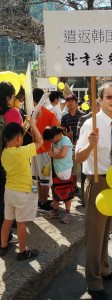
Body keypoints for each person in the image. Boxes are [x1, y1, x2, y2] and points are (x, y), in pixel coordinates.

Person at [75, 82, 112, 300]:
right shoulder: (91, 124)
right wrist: (90, 145)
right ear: (100, 100)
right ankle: (94, 283)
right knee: (95, 235)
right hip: (97, 183)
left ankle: (104, 269)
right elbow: (78, 157)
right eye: (109, 97)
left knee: (106, 233)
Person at [0, 118, 43, 260]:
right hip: (23, 192)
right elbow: (40, 142)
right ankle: (23, 251)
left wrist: (25, 124)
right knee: (21, 223)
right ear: (19, 138)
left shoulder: (5, 153)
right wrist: (33, 125)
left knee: (7, 220)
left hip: (9, 191)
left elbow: (18, 137)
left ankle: (3, 246)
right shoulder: (22, 152)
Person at [0, 81, 22, 246]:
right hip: (4, 165)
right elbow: (17, 142)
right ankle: (4, 238)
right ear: (8, 97)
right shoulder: (11, 114)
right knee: (3, 202)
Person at [31, 88, 59, 212]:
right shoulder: (49, 114)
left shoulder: (30, 114)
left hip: (31, 150)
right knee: (45, 179)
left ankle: (35, 200)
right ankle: (43, 201)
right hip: (45, 149)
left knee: (34, 178)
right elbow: (56, 130)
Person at [42, 126, 73, 224]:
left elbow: (63, 154)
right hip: (55, 170)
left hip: (65, 170)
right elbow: (53, 153)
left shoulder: (65, 140)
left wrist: (52, 155)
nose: (50, 142)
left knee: (66, 190)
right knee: (55, 190)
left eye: (51, 139)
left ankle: (68, 213)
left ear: (56, 135)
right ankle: (56, 211)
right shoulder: (55, 142)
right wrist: (51, 154)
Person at [61, 94, 85, 194]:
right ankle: (72, 186)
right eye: (68, 101)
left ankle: (79, 186)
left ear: (76, 102)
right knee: (70, 167)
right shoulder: (65, 117)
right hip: (69, 145)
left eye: (72, 101)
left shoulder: (82, 115)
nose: (70, 103)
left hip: (80, 145)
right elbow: (62, 131)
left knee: (79, 168)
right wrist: (67, 134)